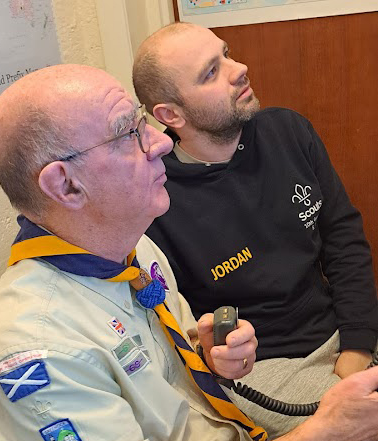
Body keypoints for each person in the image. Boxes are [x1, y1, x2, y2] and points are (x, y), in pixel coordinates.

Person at [0, 64, 377, 441]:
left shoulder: (134, 248)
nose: (162, 141)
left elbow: (169, 373)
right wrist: (325, 432)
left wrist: (209, 359)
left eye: (142, 123)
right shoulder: (37, 349)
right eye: (128, 134)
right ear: (65, 185)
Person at [133, 23, 378, 437]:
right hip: (262, 368)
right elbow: (177, 326)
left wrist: (356, 346)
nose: (240, 68)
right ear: (171, 115)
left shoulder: (288, 131)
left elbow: (344, 240)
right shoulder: (156, 199)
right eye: (211, 72)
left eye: (226, 54)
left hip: (341, 328)